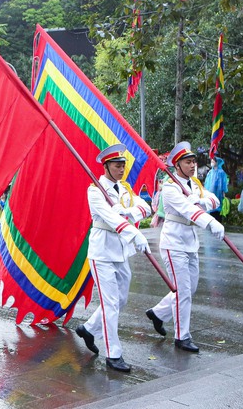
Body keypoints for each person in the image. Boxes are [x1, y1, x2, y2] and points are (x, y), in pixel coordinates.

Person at [75, 144, 151, 373]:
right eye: (117, 166)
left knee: (121, 301)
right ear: (106, 166)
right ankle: (113, 354)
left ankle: (89, 329)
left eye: (123, 165)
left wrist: (128, 212)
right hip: (102, 252)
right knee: (110, 305)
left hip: (120, 252)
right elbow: (110, 219)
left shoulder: (125, 189)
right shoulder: (95, 191)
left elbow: (145, 206)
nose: (121, 169)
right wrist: (134, 232)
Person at [145, 142, 225, 353]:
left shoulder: (195, 184)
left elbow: (213, 199)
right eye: (188, 162)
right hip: (173, 243)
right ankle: (182, 336)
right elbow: (187, 210)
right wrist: (208, 219)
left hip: (190, 242)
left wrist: (199, 200)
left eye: (193, 162)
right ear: (177, 165)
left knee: (190, 288)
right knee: (183, 292)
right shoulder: (170, 187)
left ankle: (158, 313)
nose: (192, 166)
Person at [204, 157, 228, 222]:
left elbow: (224, 183)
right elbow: (207, 182)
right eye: (211, 161)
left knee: (218, 205)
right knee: (211, 204)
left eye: (213, 161)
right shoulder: (210, 172)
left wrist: (223, 192)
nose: (212, 163)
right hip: (210, 192)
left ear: (217, 162)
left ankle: (218, 221)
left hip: (218, 192)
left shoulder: (221, 172)